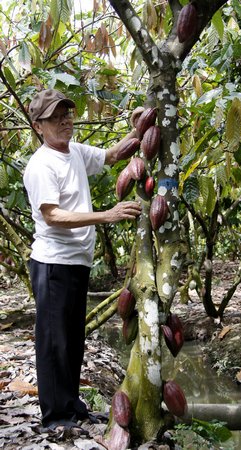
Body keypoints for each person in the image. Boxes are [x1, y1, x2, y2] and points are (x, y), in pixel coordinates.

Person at [23, 89, 142, 434]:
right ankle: (53, 415)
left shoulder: (74, 152)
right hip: (52, 263)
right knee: (53, 340)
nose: (64, 121)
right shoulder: (42, 165)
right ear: (38, 126)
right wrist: (107, 215)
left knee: (73, 338)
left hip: (76, 262)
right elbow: (53, 216)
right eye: (55, 117)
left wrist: (138, 128)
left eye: (67, 114)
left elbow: (112, 155)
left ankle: (72, 406)